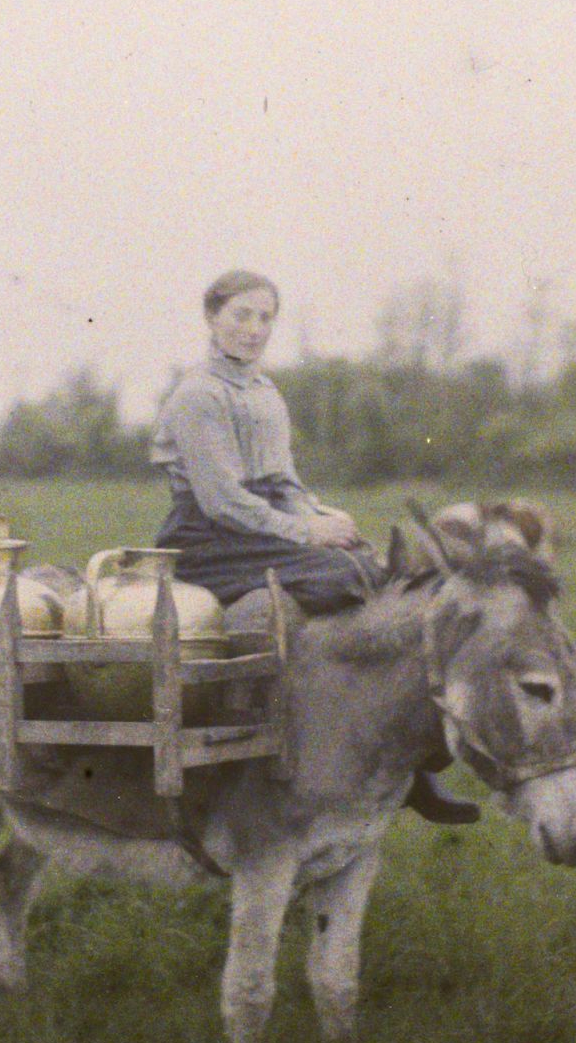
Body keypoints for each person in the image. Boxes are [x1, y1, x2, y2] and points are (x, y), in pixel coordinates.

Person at [149, 269, 479, 825]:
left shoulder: (264, 392)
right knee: (343, 576)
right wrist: (305, 533)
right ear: (211, 317)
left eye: (265, 318)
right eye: (241, 315)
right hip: (209, 539)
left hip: (262, 529)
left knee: (369, 563)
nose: (254, 329)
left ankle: (413, 765)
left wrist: (322, 516)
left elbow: (283, 483)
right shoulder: (198, 395)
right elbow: (222, 501)